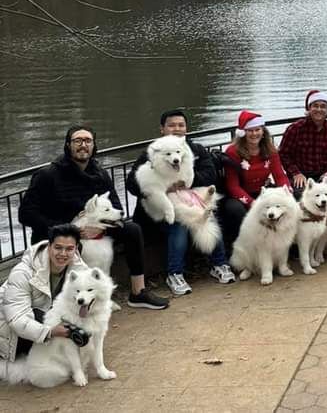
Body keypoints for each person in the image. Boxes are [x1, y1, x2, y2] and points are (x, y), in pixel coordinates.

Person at [18, 125, 169, 310]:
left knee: (132, 230)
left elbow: (117, 208)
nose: (83, 145)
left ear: (93, 146)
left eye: (88, 141)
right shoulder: (47, 175)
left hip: (94, 229)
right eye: (77, 141)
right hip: (56, 233)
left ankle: (138, 292)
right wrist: (68, 230)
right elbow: (26, 214)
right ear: (68, 145)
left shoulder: (100, 173)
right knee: (75, 246)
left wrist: (101, 227)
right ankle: (65, 303)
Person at [126, 109, 235, 296]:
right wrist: (162, 187)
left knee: (209, 218)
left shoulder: (197, 150)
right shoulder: (152, 153)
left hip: (192, 204)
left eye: (181, 125)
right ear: (162, 129)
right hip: (160, 212)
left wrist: (185, 182)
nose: (177, 129)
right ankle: (174, 273)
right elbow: (132, 184)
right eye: (171, 125)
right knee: (178, 226)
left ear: (186, 128)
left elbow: (210, 175)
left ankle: (220, 264)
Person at [0, 224, 88, 381]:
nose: (63, 254)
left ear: (76, 249)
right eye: (58, 247)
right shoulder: (22, 273)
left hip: (40, 321)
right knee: (46, 318)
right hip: (7, 330)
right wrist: (50, 332)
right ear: (49, 247)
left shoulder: (80, 270)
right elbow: (17, 319)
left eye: (69, 249)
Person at [220, 110, 291, 248]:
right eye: (250, 130)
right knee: (234, 209)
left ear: (263, 131)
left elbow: (280, 176)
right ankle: (242, 246)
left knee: (289, 201)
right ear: (243, 133)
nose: (254, 134)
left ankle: (285, 245)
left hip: (263, 191)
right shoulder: (232, 152)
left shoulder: (270, 150)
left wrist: (287, 193)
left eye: (257, 129)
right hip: (238, 195)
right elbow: (232, 185)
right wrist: (253, 203)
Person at [279, 90, 327, 189]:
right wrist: (296, 173)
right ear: (309, 108)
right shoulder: (295, 128)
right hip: (301, 175)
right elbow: (283, 154)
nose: (319, 109)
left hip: (323, 174)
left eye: (323, 106)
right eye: (315, 106)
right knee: (301, 194)